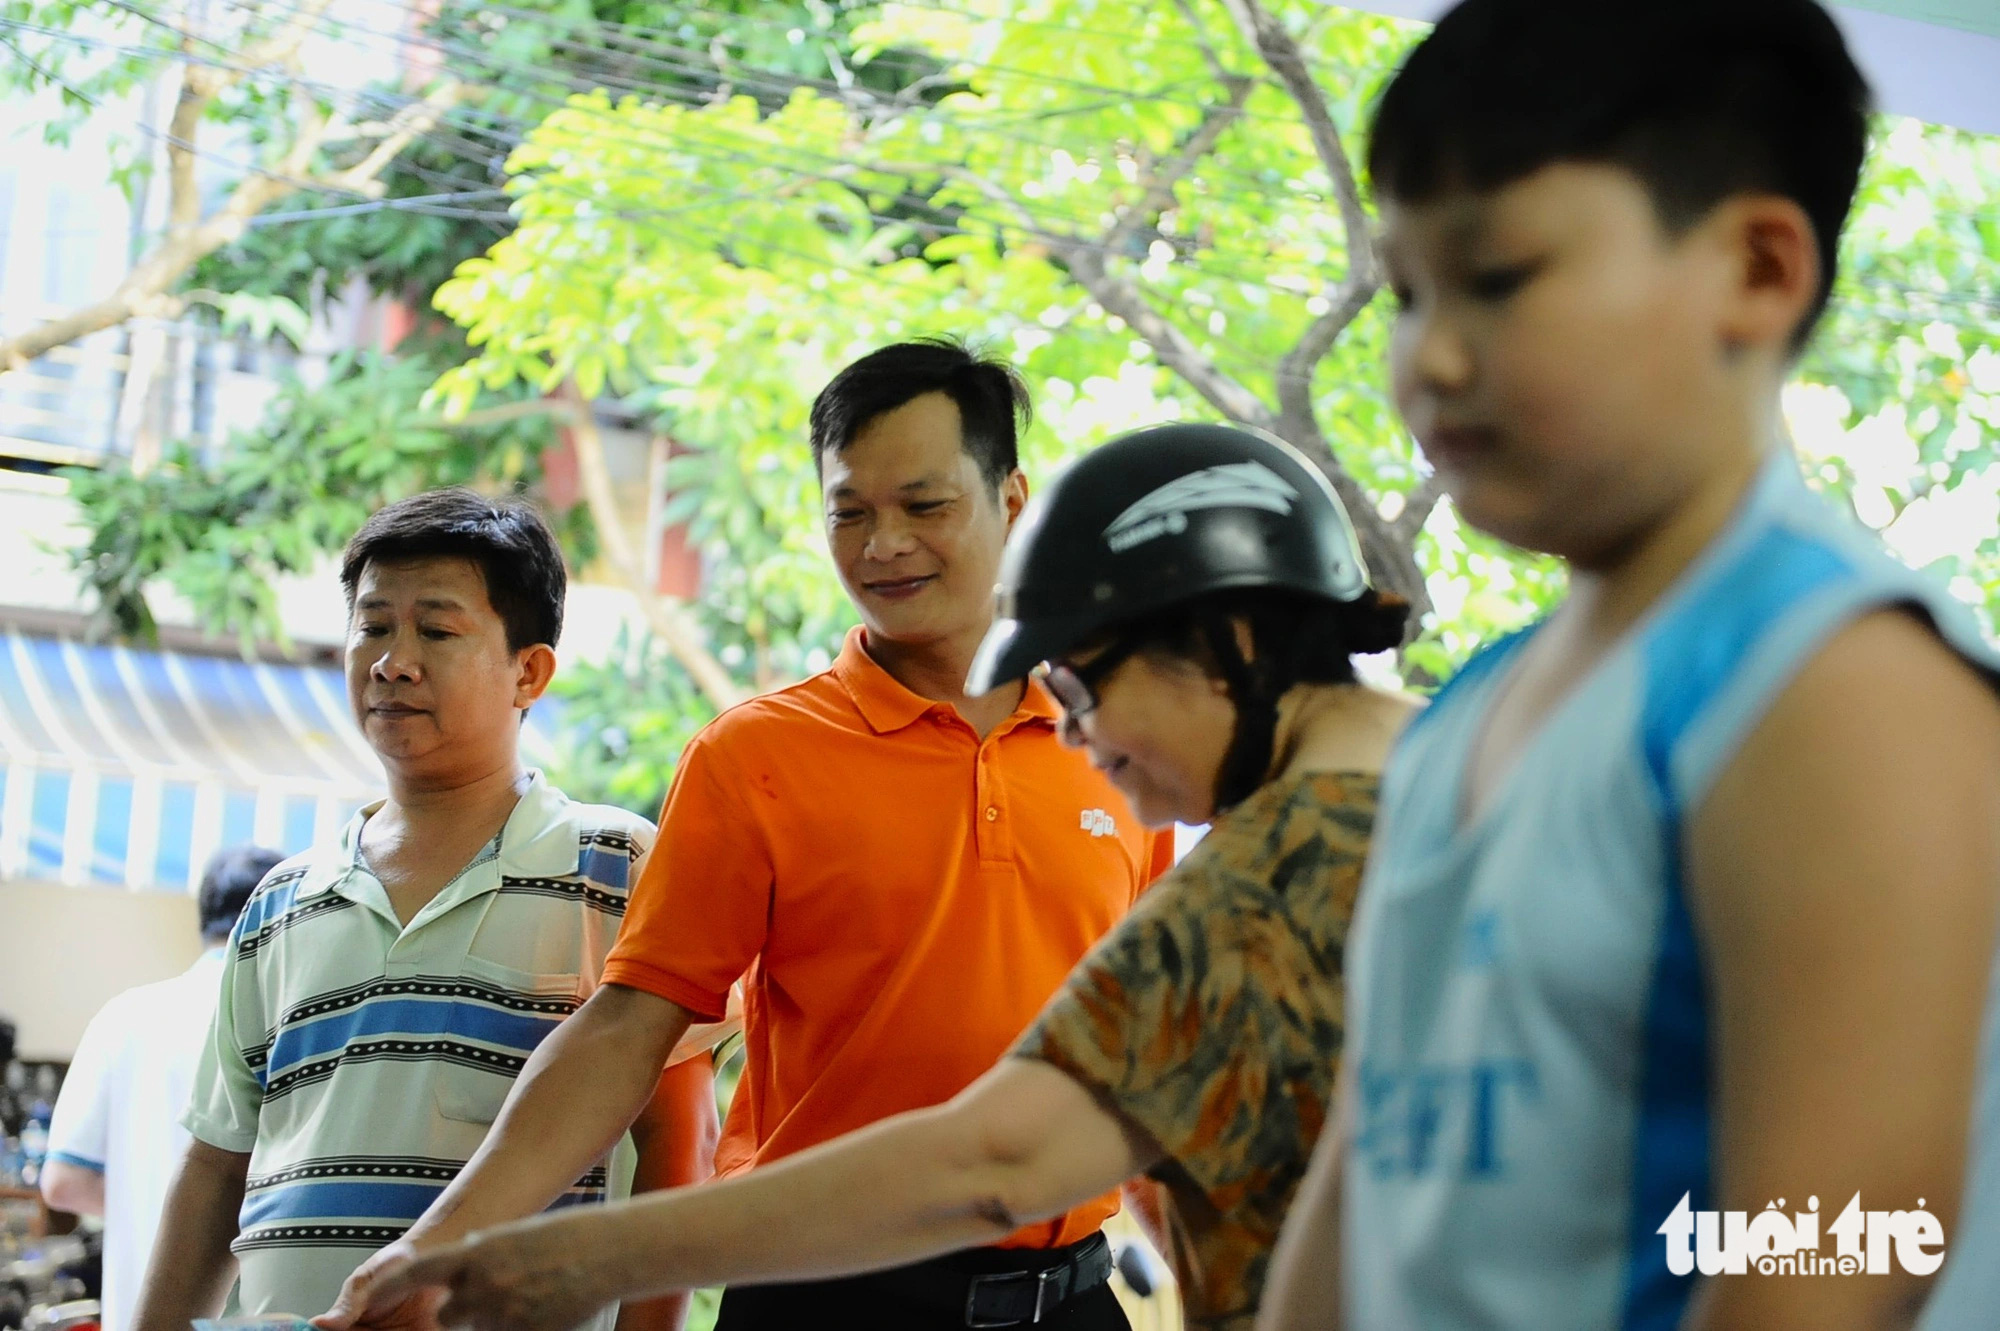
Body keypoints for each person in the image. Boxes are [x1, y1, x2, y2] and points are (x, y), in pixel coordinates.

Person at [325, 423, 1418, 1331]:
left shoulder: (1272, 870)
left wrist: (588, 1253)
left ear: (1226, 638)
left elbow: (998, 1153)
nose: (1081, 737)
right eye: (851, 508)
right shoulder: (1472, 771)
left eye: (1084, 685)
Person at [1252, 2, 2000, 1328]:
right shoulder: (1458, 715)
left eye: (1499, 277)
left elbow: (1836, 1255)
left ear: (1758, 270)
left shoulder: (1836, 686)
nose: (1428, 355)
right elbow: (1369, 1173)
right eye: (1407, 291)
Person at [128, 490, 721, 1331]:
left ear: (530, 671)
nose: (392, 661)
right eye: (373, 626)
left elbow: (679, 1140)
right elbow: (217, 1166)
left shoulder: (613, 863)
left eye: (436, 631)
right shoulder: (282, 900)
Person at [41, 845, 284, 1331]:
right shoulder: (288, 1019)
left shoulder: (125, 1016)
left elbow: (63, 1182)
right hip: (254, 1310)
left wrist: (149, 1203)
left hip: (138, 1307)